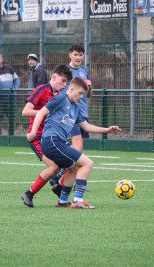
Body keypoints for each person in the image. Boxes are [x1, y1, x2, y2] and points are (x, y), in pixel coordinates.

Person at [22, 77, 121, 208]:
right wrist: (33, 132)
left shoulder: (76, 107)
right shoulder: (60, 99)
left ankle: (62, 200)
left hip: (58, 142)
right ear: (71, 89)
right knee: (87, 163)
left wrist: (107, 130)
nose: (81, 97)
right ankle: (78, 200)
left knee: (75, 167)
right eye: (80, 93)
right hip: (52, 141)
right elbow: (41, 113)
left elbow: (86, 126)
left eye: (83, 94)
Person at [20, 65, 72, 206]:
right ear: (53, 77)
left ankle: (58, 187)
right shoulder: (42, 90)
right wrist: (44, 111)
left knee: (72, 159)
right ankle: (29, 194)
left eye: (66, 83)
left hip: (52, 138)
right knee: (54, 167)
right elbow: (25, 111)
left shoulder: (60, 96)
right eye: (62, 81)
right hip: (37, 137)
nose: (64, 85)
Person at [49, 44, 92, 191]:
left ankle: (61, 178)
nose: (78, 57)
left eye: (81, 55)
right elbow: (62, 91)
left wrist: (89, 87)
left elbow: (88, 93)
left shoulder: (84, 71)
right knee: (77, 147)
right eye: (76, 54)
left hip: (82, 114)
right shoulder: (66, 72)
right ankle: (66, 180)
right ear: (70, 55)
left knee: (78, 148)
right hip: (70, 114)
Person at [0, 53, 20, 135]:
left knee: (12, 117)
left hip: (10, 98)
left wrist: (15, 91)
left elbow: (16, 79)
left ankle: (11, 137)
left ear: (1, 59)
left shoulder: (9, 68)